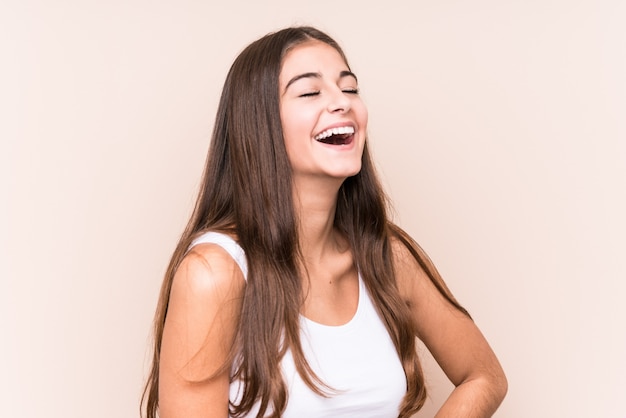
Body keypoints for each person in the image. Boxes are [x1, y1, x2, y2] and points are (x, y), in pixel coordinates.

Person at [141, 26, 507, 418]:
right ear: (258, 125)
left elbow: (484, 376)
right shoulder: (214, 273)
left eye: (349, 89)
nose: (342, 103)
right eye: (310, 92)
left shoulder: (388, 258)